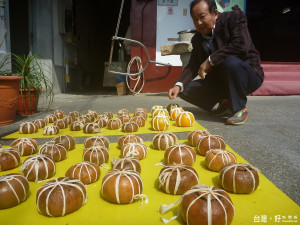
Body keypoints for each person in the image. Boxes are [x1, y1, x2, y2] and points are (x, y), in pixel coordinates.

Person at [168, 0, 264, 125]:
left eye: (202, 17)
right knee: (185, 90)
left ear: (215, 13)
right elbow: (193, 65)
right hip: (222, 80)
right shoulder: (197, 38)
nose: (199, 23)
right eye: (195, 19)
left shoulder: (234, 18)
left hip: (248, 75)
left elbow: (241, 45)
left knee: (230, 62)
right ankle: (226, 103)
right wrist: (178, 85)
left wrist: (210, 60)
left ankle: (240, 109)